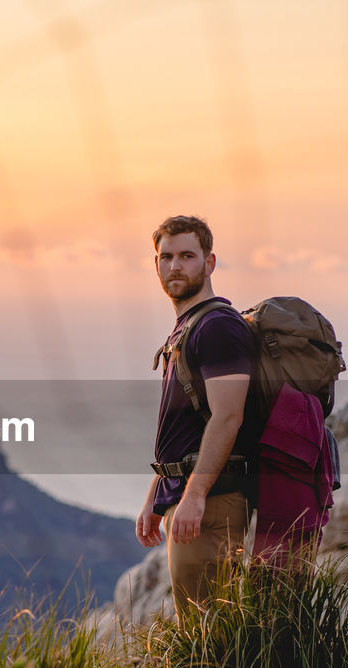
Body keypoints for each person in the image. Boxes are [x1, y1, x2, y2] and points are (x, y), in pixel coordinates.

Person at [136, 215, 255, 615]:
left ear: (209, 262)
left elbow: (227, 416)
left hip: (214, 502)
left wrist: (196, 496)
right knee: (198, 627)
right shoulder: (186, 328)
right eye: (165, 256)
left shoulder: (217, 327)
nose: (174, 266)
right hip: (187, 500)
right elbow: (185, 422)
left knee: (209, 633)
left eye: (187, 255)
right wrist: (156, 497)